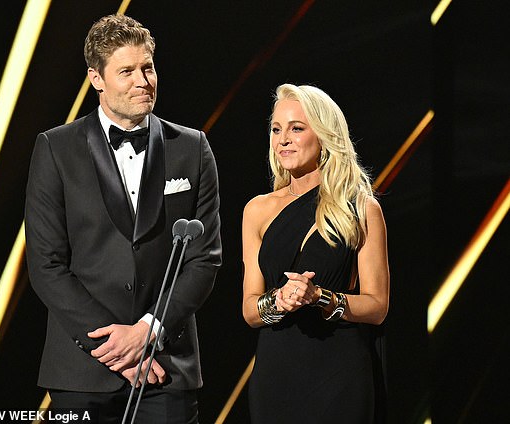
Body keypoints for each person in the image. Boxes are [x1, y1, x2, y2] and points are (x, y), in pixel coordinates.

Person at [25, 14, 221, 423]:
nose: (143, 81)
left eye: (147, 67)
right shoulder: (55, 149)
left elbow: (204, 259)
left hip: (167, 366)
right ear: (96, 79)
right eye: (127, 71)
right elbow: (46, 265)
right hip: (82, 372)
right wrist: (118, 348)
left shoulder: (192, 147)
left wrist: (150, 331)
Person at [241, 84, 389, 423]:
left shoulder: (362, 209)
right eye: (276, 129)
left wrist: (319, 297)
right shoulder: (257, 211)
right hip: (276, 377)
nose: (283, 139)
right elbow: (250, 310)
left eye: (296, 128)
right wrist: (278, 301)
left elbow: (377, 306)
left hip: (339, 375)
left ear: (324, 135)